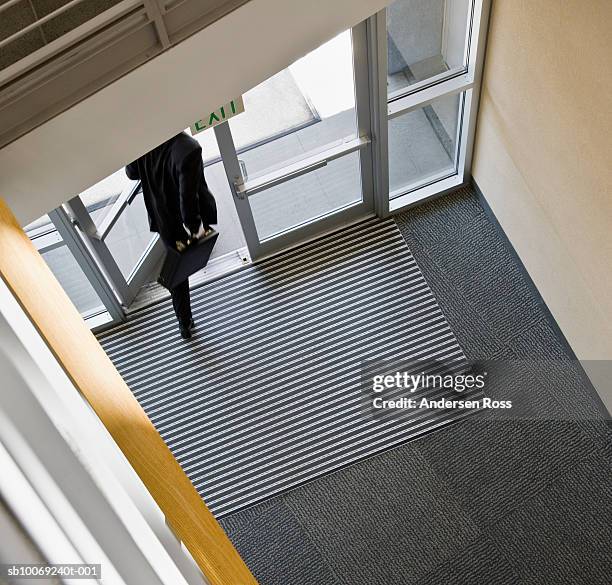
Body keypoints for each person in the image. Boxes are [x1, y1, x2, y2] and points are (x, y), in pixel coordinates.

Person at [125, 132, 217, 339]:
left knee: (178, 271)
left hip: (163, 217)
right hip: (182, 218)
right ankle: (185, 321)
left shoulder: (144, 139)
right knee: (183, 263)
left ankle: (184, 323)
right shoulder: (189, 147)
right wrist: (195, 227)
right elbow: (188, 196)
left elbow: (132, 173)